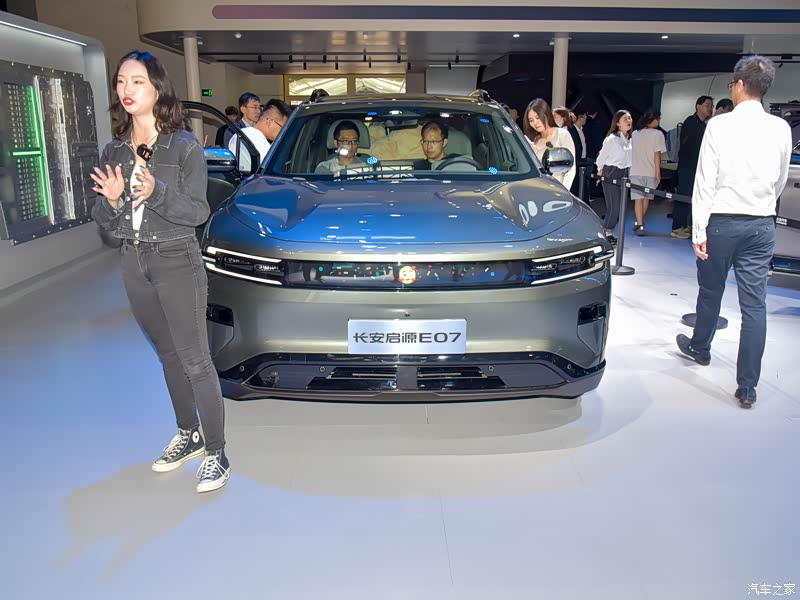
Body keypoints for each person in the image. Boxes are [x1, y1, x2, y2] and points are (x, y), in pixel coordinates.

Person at [90, 51, 230, 493]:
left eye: (137, 81)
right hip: (133, 261)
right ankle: (189, 434)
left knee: (195, 359)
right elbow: (106, 225)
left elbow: (198, 212)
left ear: (157, 89)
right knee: (168, 355)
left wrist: (157, 192)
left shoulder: (183, 146)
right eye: (121, 82)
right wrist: (113, 201)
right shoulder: (114, 149)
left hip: (175, 259)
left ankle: (217, 452)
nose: (127, 90)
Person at [676, 56, 792, 409]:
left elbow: (705, 181)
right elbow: (780, 179)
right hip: (761, 223)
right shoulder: (781, 128)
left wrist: (698, 228)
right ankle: (747, 387)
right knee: (755, 306)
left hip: (722, 222)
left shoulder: (719, 125)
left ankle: (700, 347)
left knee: (711, 291)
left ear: (739, 85)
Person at [672, 95, 713, 238]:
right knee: (683, 194)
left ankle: (687, 224)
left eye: (711, 106)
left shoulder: (703, 125)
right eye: (707, 105)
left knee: (692, 196)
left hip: (697, 167)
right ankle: (677, 227)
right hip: (687, 166)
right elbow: (687, 145)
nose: (710, 108)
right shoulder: (690, 122)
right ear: (698, 106)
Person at [595, 110, 633, 244]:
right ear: (618, 123)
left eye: (630, 118)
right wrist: (600, 171)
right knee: (614, 207)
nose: (629, 121)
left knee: (621, 208)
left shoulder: (629, 139)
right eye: (625, 119)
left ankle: (608, 232)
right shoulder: (611, 139)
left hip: (624, 174)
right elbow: (601, 157)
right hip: (611, 173)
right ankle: (606, 233)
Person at [524, 98, 576, 189]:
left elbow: (571, 169)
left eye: (538, 118)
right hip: (537, 189)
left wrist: (563, 192)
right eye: (531, 120)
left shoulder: (561, 134)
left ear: (546, 114)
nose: (535, 123)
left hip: (557, 189)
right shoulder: (536, 140)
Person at [630, 112, 667, 235]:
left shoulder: (635, 133)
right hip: (650, 171)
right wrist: (658, 172)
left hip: (635, 170)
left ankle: (639, 223)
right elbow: (657, 154)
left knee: (638, 199)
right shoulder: (658, 134)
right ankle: (640, 223)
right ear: (653, 120)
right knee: (646, 198)